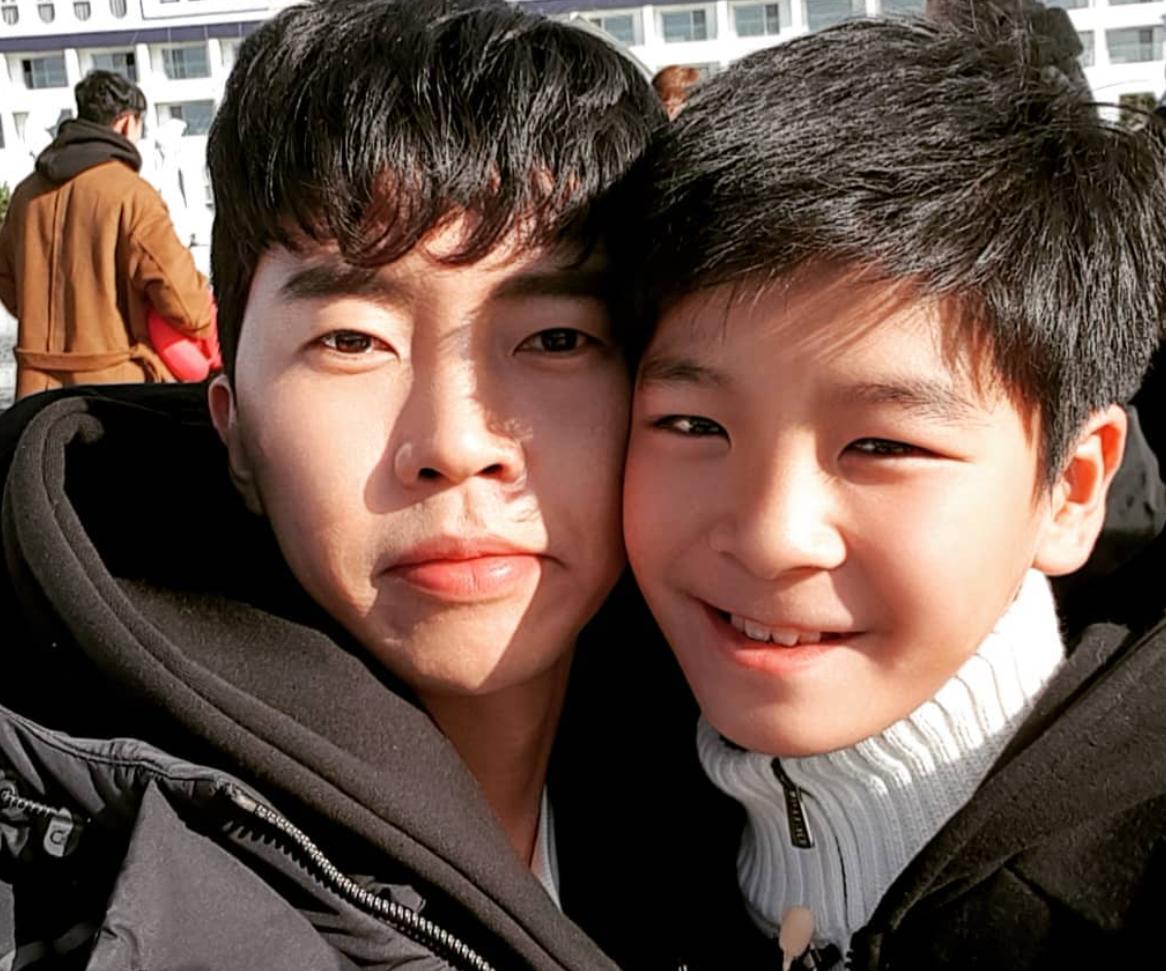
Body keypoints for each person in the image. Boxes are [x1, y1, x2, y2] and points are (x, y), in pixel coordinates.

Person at [0, 1, 669, 966]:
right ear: (233, 427)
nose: (457, 443)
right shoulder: (78, 878)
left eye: (558, 338)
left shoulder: (748, 772)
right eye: (352, 339)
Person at [616, 13, 1166, 970]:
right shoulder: (593, 840)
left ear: (1072, 488)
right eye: (693, 425)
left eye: (881, 444)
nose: (772, 534)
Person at [0, 70, 213, 400]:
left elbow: (7, 281)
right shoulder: (132, 195)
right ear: (126, 123)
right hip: (115, 391)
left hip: (35, 390)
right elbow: (187, 304)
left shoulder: (26, 195)